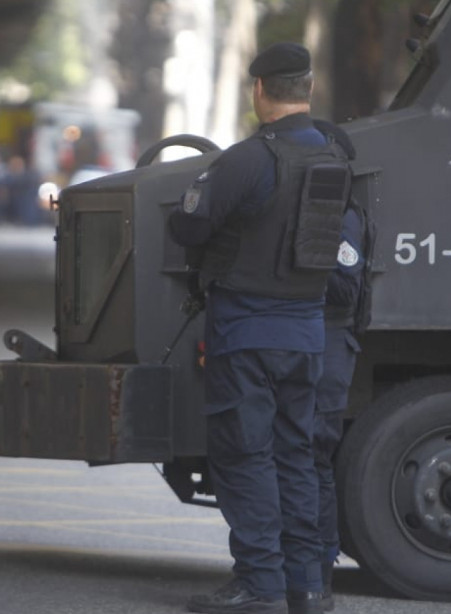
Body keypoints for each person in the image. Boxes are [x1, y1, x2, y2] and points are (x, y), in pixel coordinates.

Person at [168, 43, 350, 614]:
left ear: (259, 91)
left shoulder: (249, 160)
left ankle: (261, 586)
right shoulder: (333, 156)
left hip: (247, 334)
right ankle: (308, 585)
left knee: (246, 457)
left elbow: (190, 227)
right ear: (308, 90)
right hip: (307, 335)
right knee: (297, 458)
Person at [311, 120, 372, 612]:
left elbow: (342, 288)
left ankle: (318, 567)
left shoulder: (341, 217)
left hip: (328, 343)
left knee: (312, 456)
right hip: (313, 342)